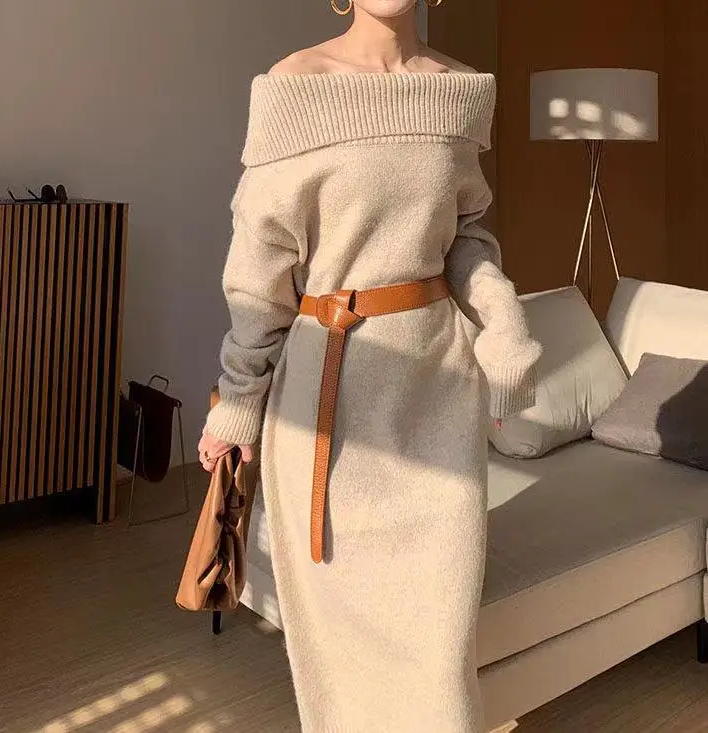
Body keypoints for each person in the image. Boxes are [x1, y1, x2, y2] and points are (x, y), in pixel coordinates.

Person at [198, 1, 542, 730]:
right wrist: (238, 402)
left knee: (441, 663)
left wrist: (504, 331)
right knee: (344, 667)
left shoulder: (460, 90)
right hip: (329, 406)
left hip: (437, 399)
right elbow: (258, 273)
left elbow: (465, 238)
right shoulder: (294, 85)